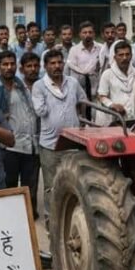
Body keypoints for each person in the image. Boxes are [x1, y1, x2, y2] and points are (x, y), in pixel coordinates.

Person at [32, 49, 87, 220]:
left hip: (72, 142)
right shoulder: (39, 86)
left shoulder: (72, 82)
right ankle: (51, 219)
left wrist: (80, 120)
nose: (56, 66)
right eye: (52, 63)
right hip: (50, 144)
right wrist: (54, 95)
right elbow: (40, 110)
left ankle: (71, 217)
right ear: (46, 66)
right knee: (51, 185)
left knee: (74, 181)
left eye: (59, 63)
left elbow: (83, 101)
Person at [0, 51, 40, 215]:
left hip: (30, 145)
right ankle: (9, 220)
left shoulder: (22, 86)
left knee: (30, 187)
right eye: (5, 64)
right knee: (8, 186)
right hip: (8, 146)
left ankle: (29, 220)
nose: (9, 68)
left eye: (12, 64)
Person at [66, 21, 103, 119]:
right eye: (85, 32)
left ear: (94, 34)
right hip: (80, 91)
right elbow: (71, 69)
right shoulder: (74, 50)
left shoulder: (101, 48)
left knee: (96, 117)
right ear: (80, 35)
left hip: (96, 91)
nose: (88, 35)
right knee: (81, 118)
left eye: (90, 32)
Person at [98, 41, 135, 124]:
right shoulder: (107, 74)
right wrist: (112, 105)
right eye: (121, 55)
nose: (124, 58)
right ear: (115, 57)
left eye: (127, 54)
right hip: (115, 119)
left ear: (131, 56)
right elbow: (101, 96)